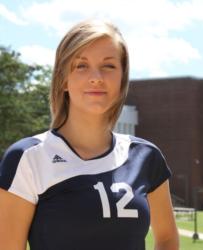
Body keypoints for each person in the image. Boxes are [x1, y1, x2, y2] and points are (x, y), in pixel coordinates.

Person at [0, 19, 179, 250]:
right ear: (63, 79)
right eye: (81, 66)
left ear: (122, 78)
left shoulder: (146, 157)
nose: (96, 77)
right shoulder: (28, 157)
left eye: (109, 66)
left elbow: (166, 238)